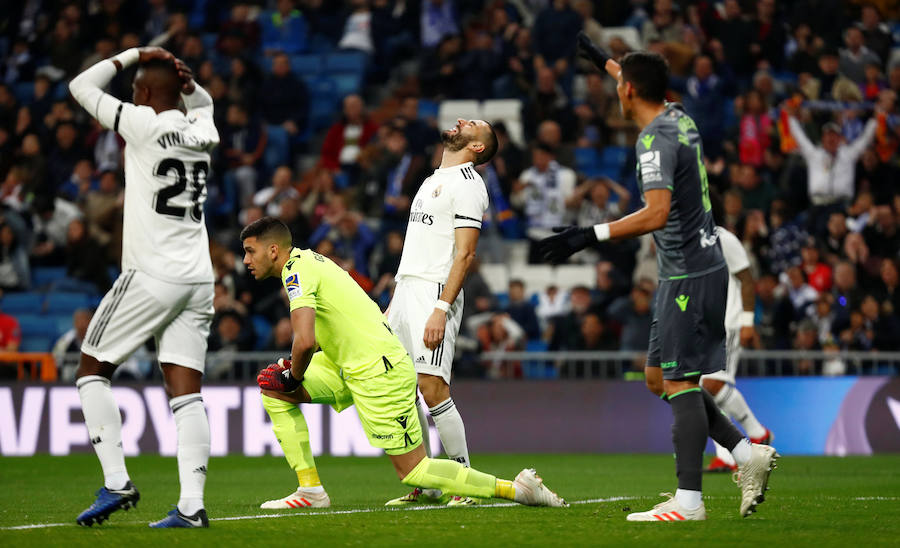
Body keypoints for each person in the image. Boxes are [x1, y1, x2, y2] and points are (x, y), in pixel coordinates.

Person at [538, 48, 777, 521]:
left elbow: (656, 213)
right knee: (658, 380)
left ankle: (689, 501)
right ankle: (746, 454)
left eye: (619, 84)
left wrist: (588, 235)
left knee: (680, 382)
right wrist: (605, 61)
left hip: (689, 271)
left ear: (627, 91)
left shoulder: (653, 139)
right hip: (686, 269)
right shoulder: (678, 116)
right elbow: (646, 84)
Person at [241, 217, 567, 509]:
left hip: (377, 371)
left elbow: (304, 340)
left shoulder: (296, 271)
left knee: (415, 471)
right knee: (274, 389)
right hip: (346, 364)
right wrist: (289, 378)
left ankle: (517, 489)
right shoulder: (307, 261)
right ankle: (310, 489)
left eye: (250, 251)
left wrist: (294, 376)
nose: (245, 261)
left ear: (273, 250)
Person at [68, 46, 218, 528]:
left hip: (153, 274)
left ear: (147, 93)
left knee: (91, 369)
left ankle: (116, 481)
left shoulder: (143, 124)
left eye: (135, 90)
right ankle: (192, 507)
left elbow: (80, 86)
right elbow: (206, 107)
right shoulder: (202, 131)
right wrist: (191, 89)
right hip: (198, 277)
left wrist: (134, 54)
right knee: (186, 393)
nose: (131, 95)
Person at [383, 117, 497, 506]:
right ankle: (427, 481)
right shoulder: (433, 178)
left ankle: (464, 483)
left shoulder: (468, 184)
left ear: (477, 146)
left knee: (432, 388)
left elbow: (465, 254)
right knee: (402, 388)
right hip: (407, 290)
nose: (462, 121)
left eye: (473, 124)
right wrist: (397, 298)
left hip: (434, 293)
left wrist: (440, 308)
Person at [701, 199, 774, 473]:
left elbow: (746, 279)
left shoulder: (724, 239)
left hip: (729, 321)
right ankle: (727, 456)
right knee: (702, 389)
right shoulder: (696, 241)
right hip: (707, 323)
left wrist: (746, 322)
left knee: (712, 385)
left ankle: (756, 432)